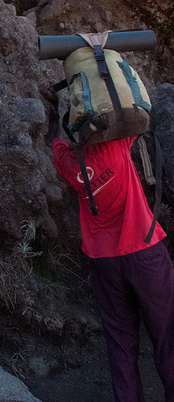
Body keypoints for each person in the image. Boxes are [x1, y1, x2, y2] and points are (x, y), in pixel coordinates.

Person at [42, 85, 174, 402]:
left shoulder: (71, 166)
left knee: (120, 344)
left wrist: (51, 109)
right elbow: (136, 112)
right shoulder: (116, 146)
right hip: (145, 254)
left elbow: (54, 141)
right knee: (168, 337)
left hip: (105, 263)